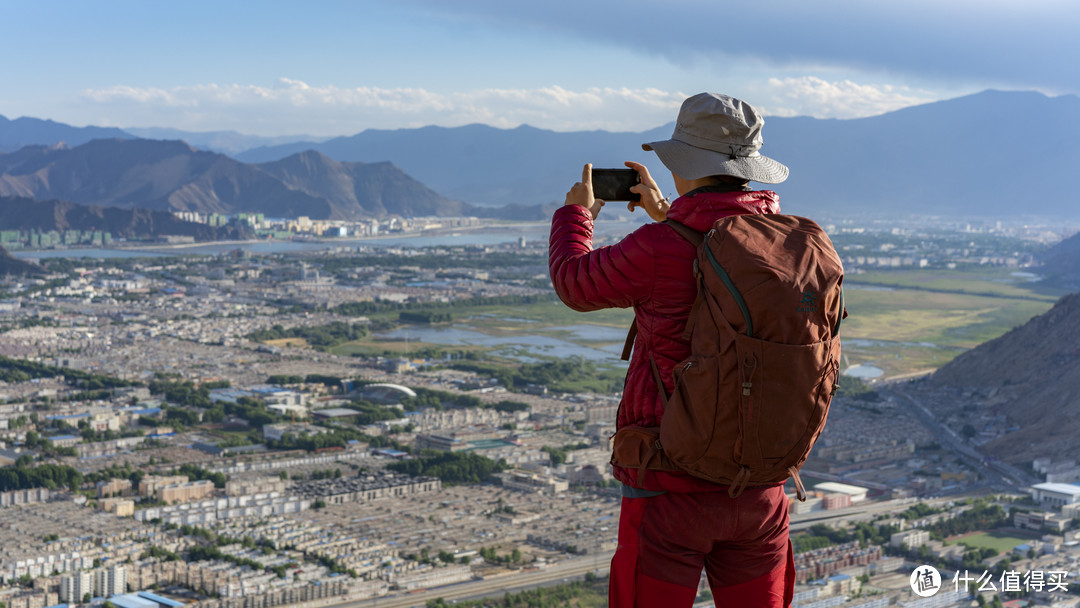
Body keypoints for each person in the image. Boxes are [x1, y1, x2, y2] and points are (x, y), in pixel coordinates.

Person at [548, 93, 795, 607]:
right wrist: (669, 214)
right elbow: (714, 243)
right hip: (761, 485)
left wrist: (576, 215)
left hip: (669, 482)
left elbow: (575, 284)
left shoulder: (661, 247)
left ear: (682, 161)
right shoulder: (788, 242)